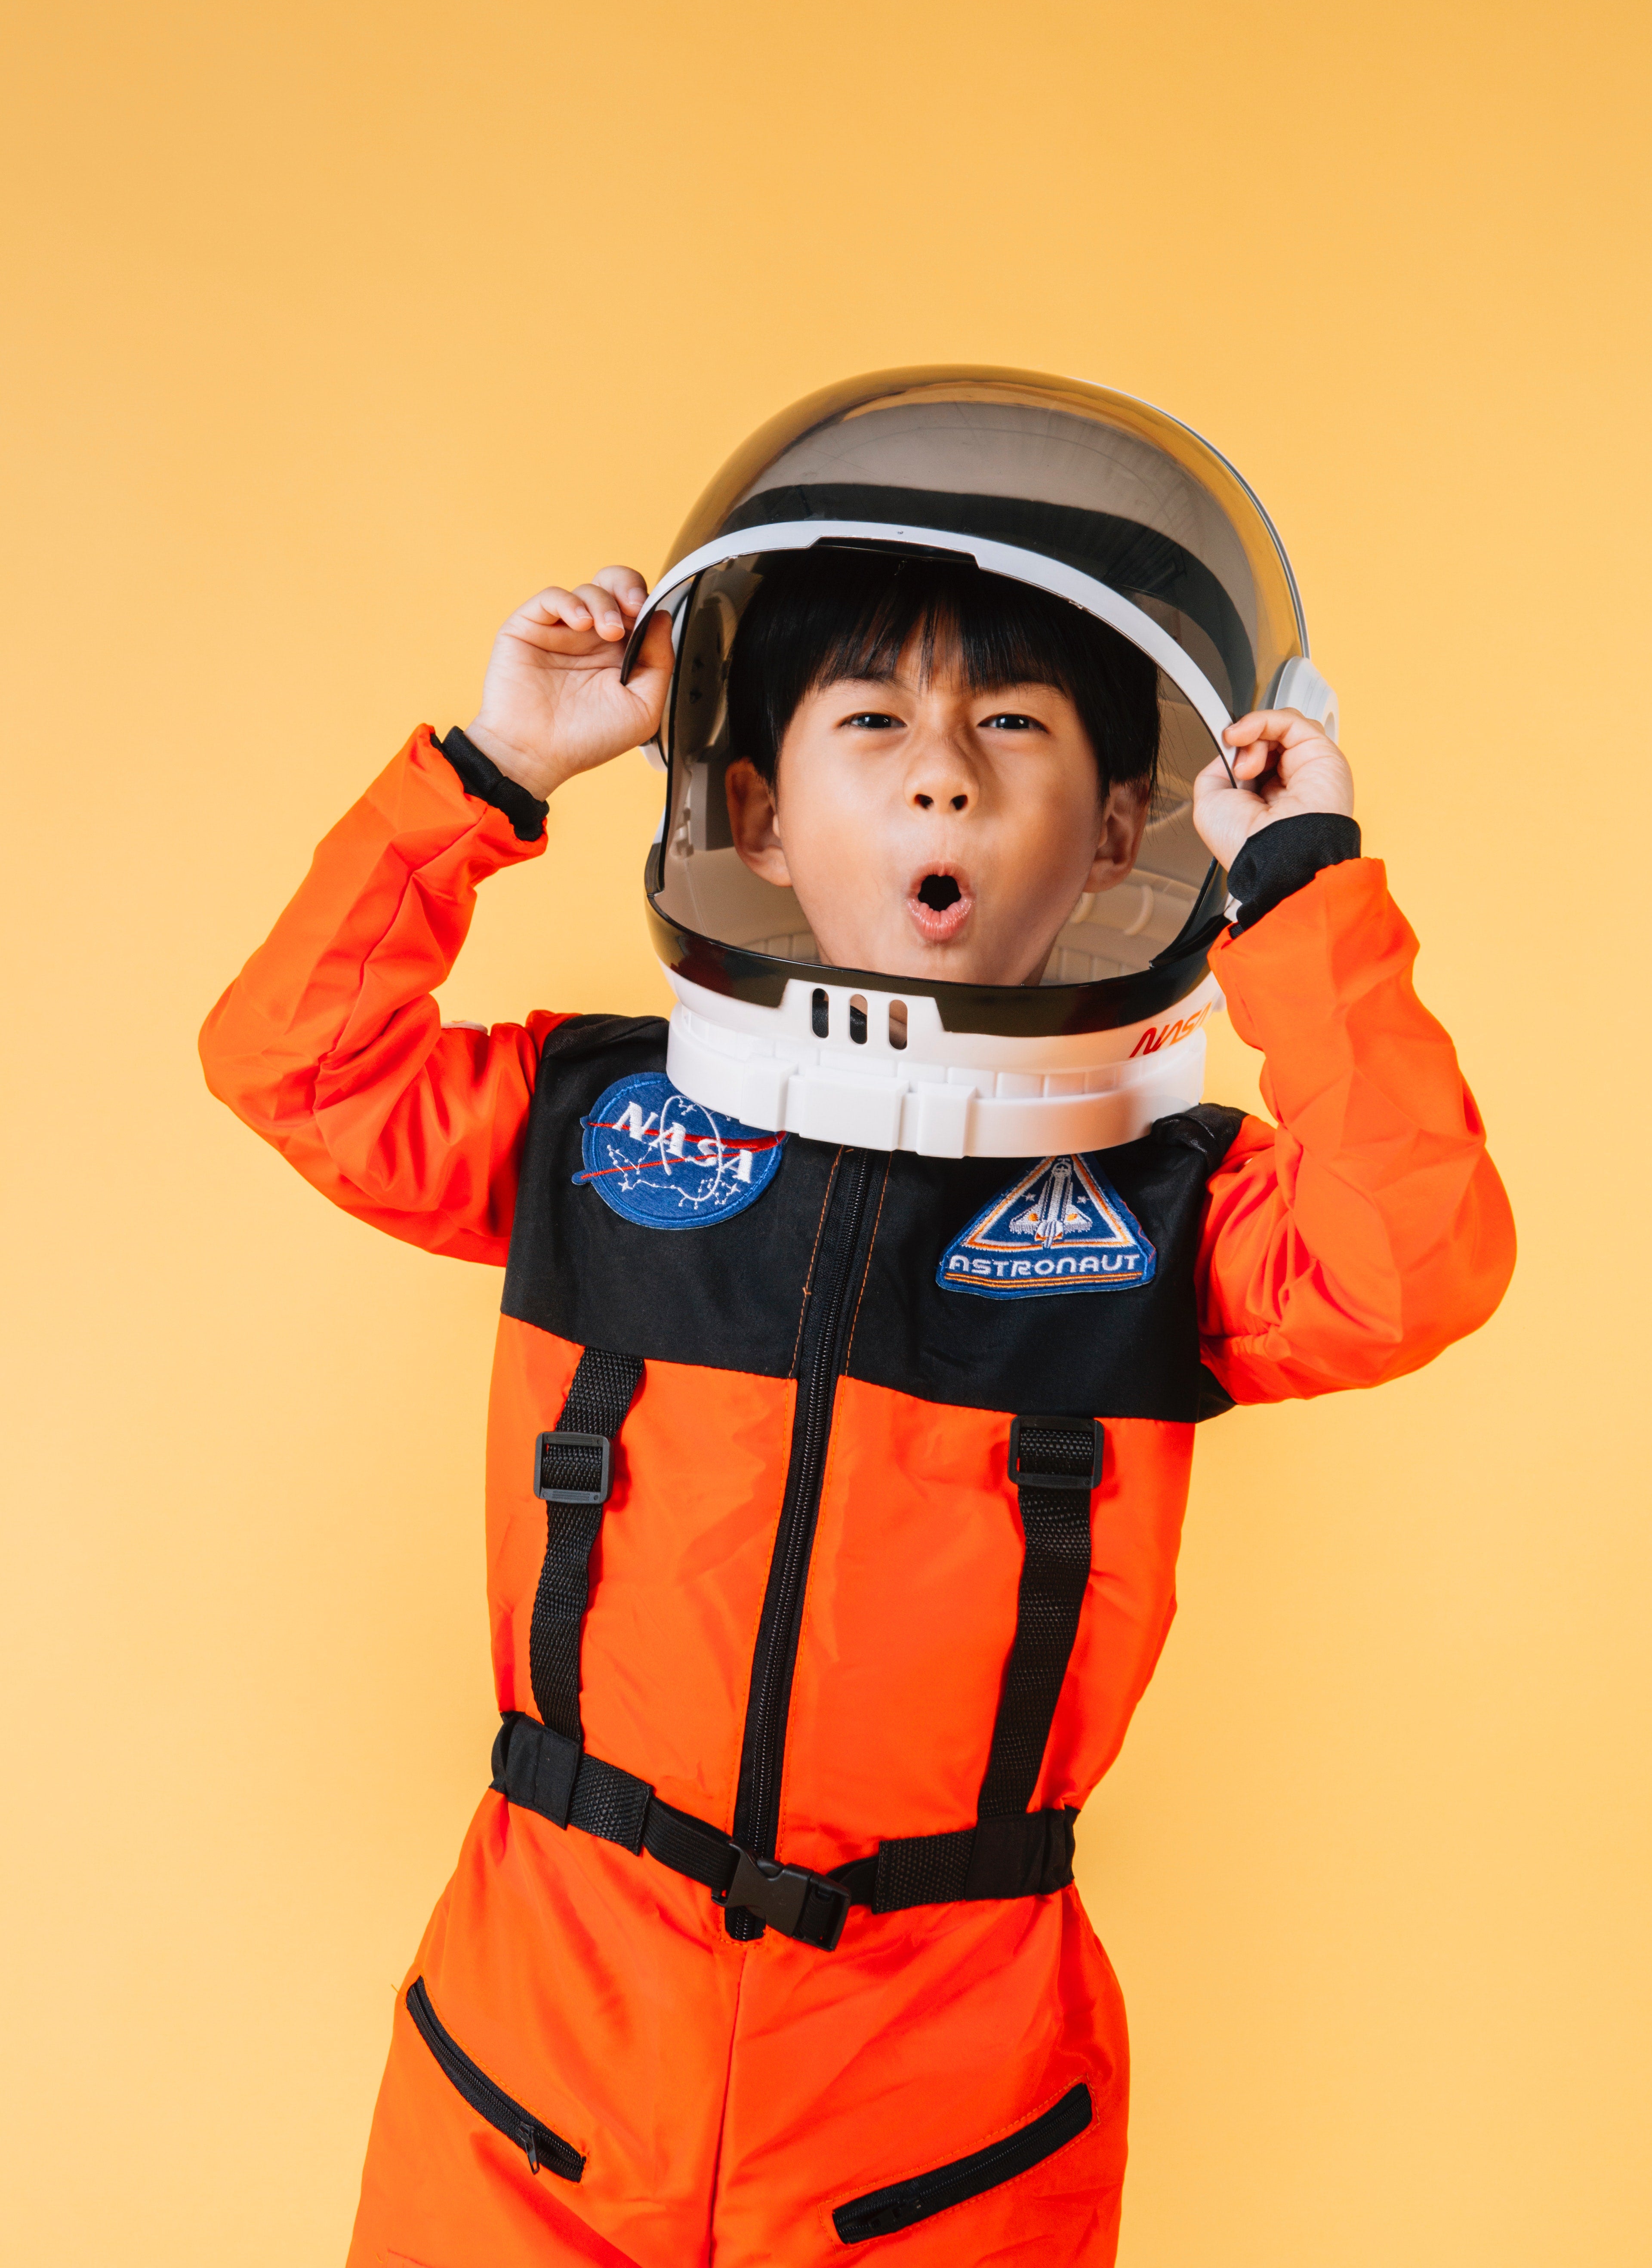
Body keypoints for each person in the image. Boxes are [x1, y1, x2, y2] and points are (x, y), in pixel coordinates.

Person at [201, 380, 1515, 2266]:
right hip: (541, 2044)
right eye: (874, 722)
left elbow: (1425, 1250)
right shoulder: (594, 1132)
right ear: (752, 803)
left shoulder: (1164, 1223)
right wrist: (493, 766)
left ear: (1123, 822)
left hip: (946, 2095)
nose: (941, 775)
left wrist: (1300, 891)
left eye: (1014, 727)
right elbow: (296, 1062)